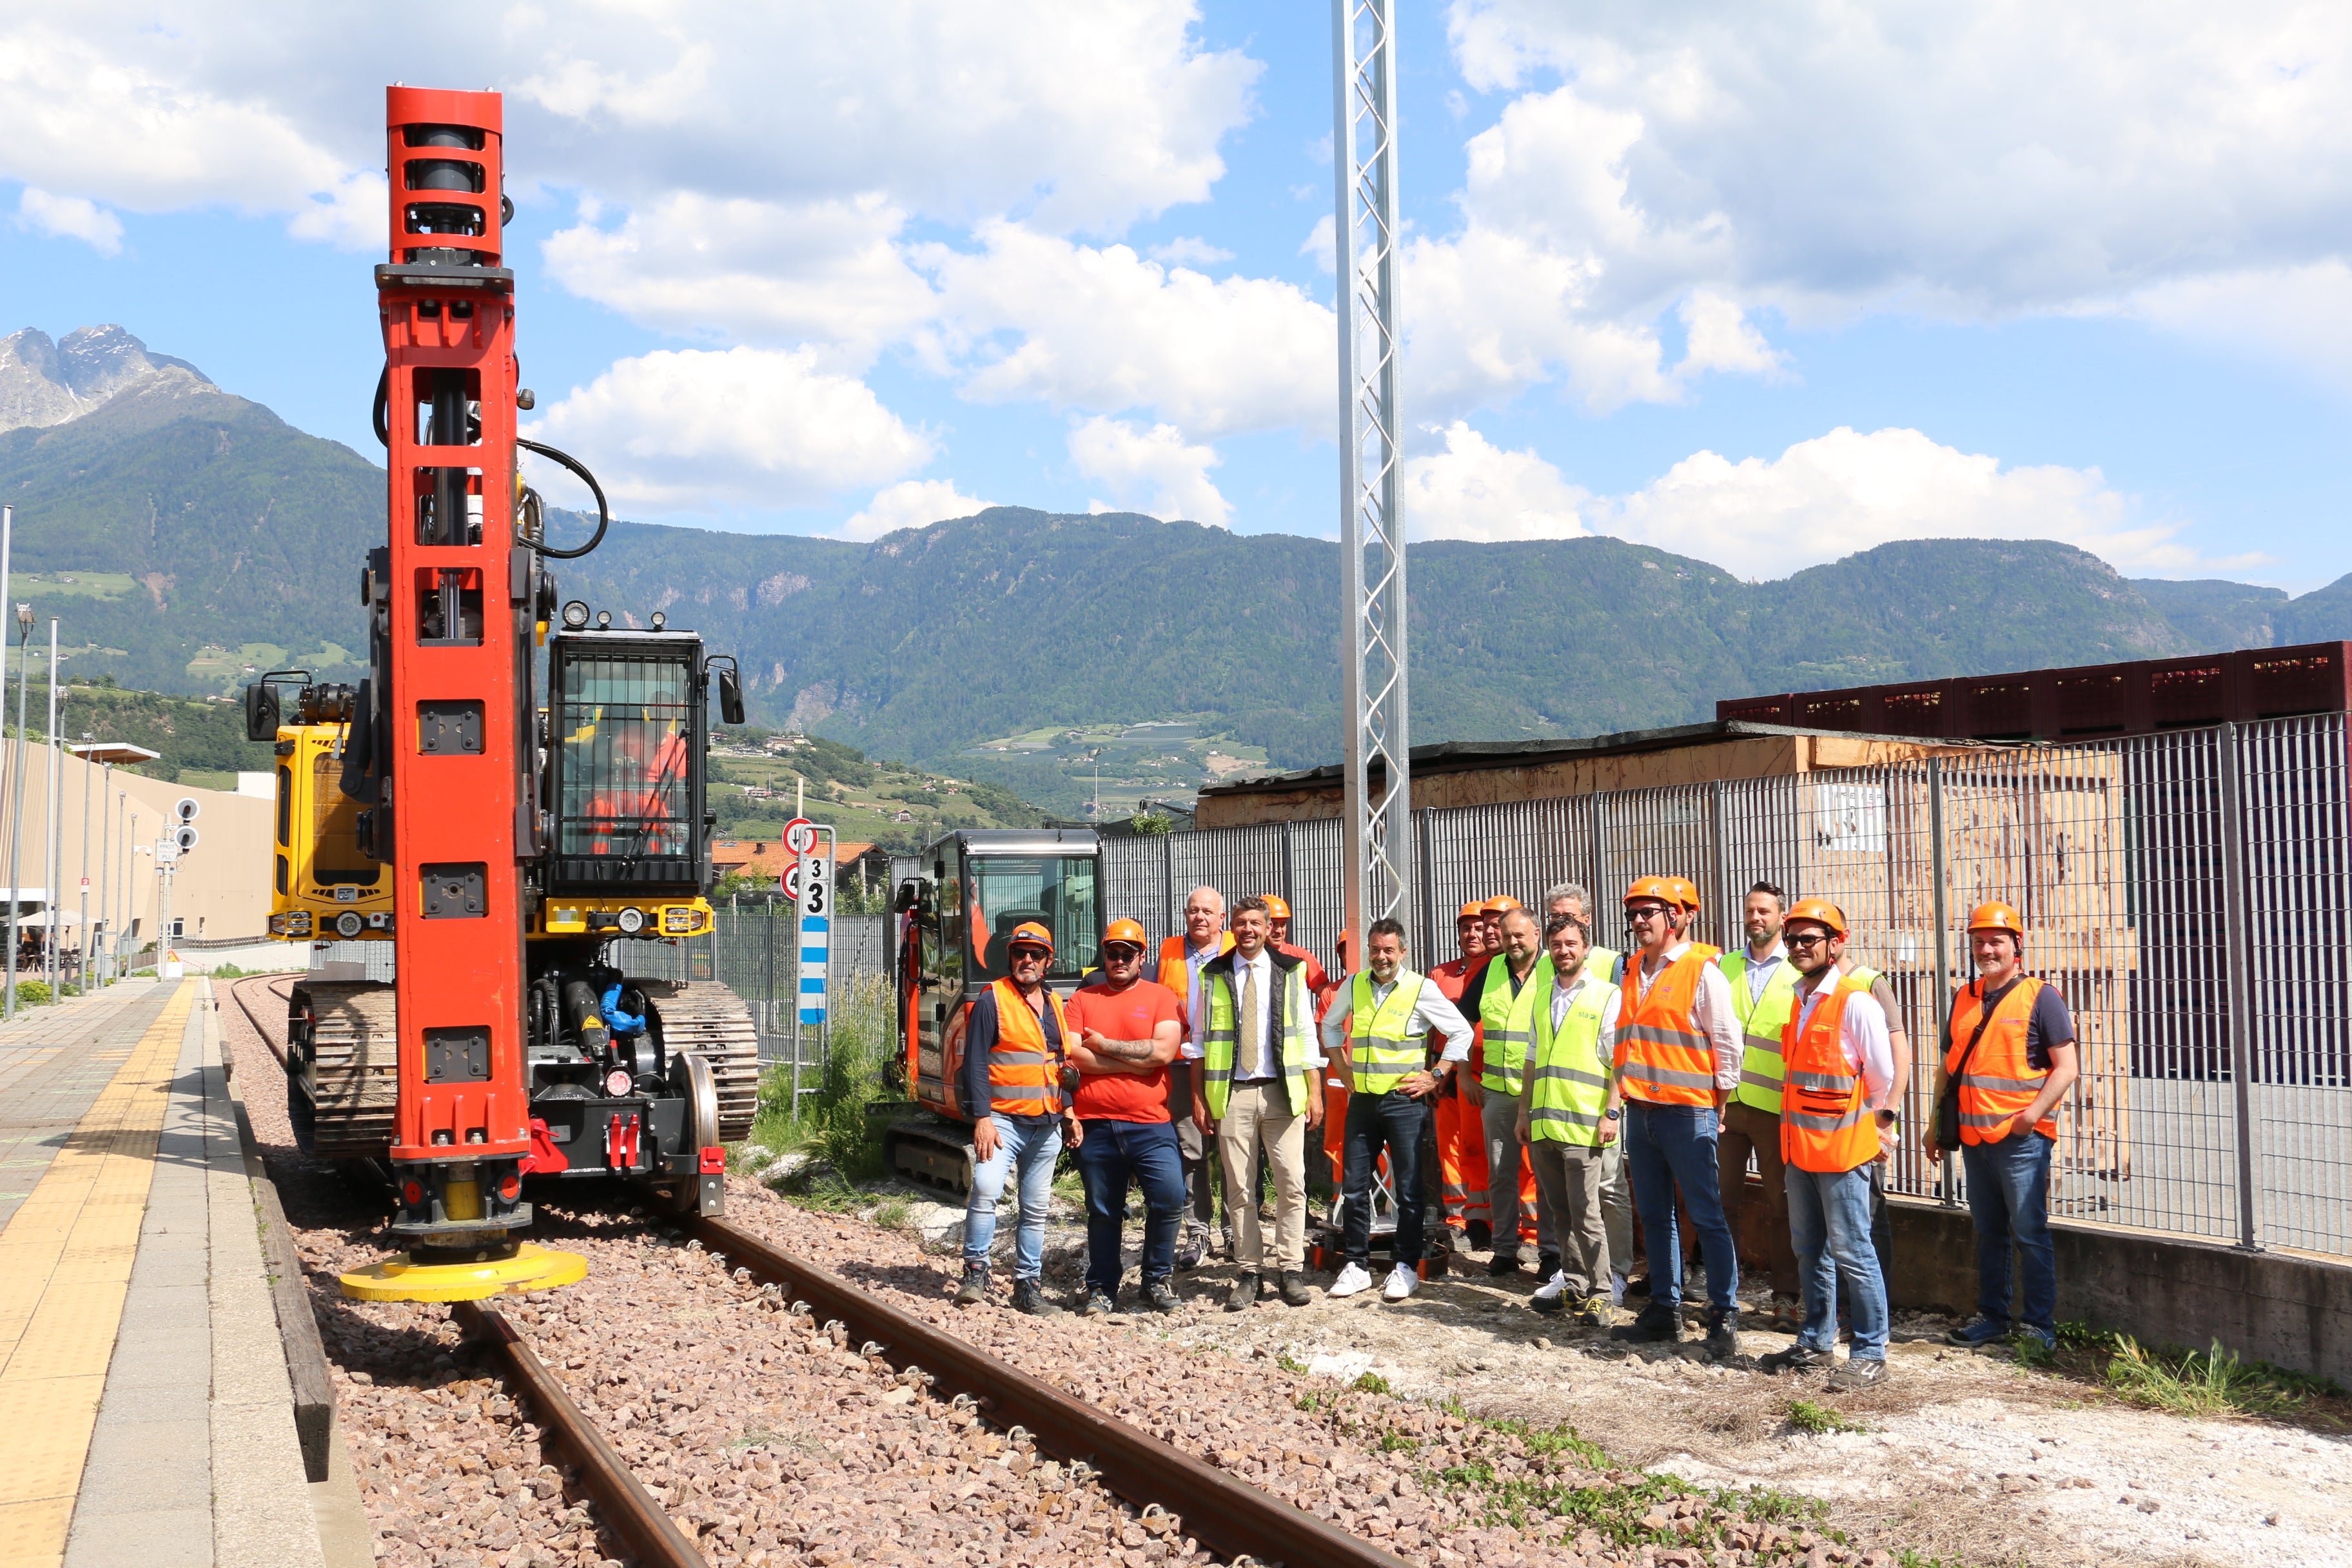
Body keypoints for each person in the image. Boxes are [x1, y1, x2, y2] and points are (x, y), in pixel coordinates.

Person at [1925, 901, 2079, 1354]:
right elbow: (1947, 1069)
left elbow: (2066, 1067)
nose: (1986, 949)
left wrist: (2031, 1117)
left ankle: (2038, 1328)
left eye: (1996, 941)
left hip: (2022, 1141)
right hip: (1974, 1139)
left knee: (2029, 1233)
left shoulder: (2041, 996)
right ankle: (1991, 1318)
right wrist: (1935, 1124)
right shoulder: (1964, 997)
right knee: (1989, 1233)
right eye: (1979, 942)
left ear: (2016, 945)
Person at [1757, 899, 1897, 1387]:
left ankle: (1871, 1349)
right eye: (1793, 939)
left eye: (1808, 940)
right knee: (1809, 1250)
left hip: (1841, 1154)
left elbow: (1881, 1077)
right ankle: (1816, 1342)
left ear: (1836, 944)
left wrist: (1878, 1127)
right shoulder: (1799, 999)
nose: (1798, 947)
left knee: (1854, 1251)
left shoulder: (1855, 1001)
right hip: (1800, 1153)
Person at [1611, 876, 1743, 1357]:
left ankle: (1723, 1312)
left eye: (1650, 912)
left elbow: (1728, 1044)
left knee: (1706, 1215)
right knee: (1656, 1215)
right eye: (1634, 914)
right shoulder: (1630, 970)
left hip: (1688, 1114)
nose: (1640, 921)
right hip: (1641, 1111)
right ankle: (1664, 1310)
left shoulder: (1700, 970)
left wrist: (1719, 1103)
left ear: (1673, 917)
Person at [1320, 917, 1475, 1302]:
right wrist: (1342, 1067)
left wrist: (1436, 1074)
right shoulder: (1355, 985)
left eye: (1389, 950)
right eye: (1375, 949)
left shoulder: (1421, 988)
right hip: (1364, 1101)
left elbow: (1462, 1032)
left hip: (1404, 1103)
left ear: (1403, 952)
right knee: (1354, 1188)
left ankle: (1405, 1267)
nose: (1381, 957)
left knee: (1407, 1189)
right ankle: (1356, 1266)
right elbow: (1329, 1026)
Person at [1190, 896, 1324, 1309]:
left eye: (1255, 923)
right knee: (1240, 1188)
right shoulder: (1211, 973)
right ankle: (1249, 1272)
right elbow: (1198, 1041)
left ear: (1269, 929)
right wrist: (1198, 1097)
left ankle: (1290, 1269)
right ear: (1231, 927)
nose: (1248, 930)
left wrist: (1315, 1091)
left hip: (1283, 1092)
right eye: (1241, 923)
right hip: (1233, 1095)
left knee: (1292, 1183)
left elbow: (1303, 1034)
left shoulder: (1290, 971)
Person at [1064, 918, 1187, 1315]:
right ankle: (1102, 1287)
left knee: (1169, 1198)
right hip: (1095, 1123)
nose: (1119, 960)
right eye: (1112, 953)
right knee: (1104, 1210)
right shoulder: (1083, 998)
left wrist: (1104, 1046)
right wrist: (1136, 1063)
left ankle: (1156, 1279)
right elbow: (1074, 1055)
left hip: (1150, 1123)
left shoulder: (1161, 997)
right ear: (1104, 956)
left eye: (1127, 954)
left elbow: (1164, 1053)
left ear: (1141, 957)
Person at [956, 921, 1072, 1316]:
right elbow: (974, 1062)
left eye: (1036, 954)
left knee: (1036, 1208)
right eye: (1020, 953)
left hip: (1046, 1123)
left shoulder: (1056, 1004)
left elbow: (1061, 1064)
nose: (1027, 960)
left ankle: (1027, 1286)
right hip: (1002, 1122)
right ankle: (975, 1272)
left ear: (1048, 961)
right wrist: (982, 1118)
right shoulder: (993, 999)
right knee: (986, 1189)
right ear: (1011, 958)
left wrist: (1069, 1112)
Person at [1517, 912, 1620, 1322]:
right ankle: (1575, 1286)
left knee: (1587, 1212)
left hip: (1583, 1124)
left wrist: (1612, 1112)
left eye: (1571, 944)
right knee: (1560, 1212)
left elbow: (1620, 1062)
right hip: (1544, 1123)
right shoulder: (1543, 995)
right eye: (1557, 945)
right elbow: (1531, 1058)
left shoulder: (1606, 995)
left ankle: (1602, 1291)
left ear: (1585, 949)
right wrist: (1524, 1111)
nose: (1563, 952)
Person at [1718, 882, 1804, 1329]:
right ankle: (1724, 1294)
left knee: (1782, 1206)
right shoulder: (1725, 966)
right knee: (1722, 1201)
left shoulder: (1798, 968)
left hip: (1775, 1108)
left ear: (1781, 917)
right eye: (1750, 910)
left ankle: (1786, 1297)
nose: (1756, 918)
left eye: (1764, 911)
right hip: (1727, 1106)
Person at [1547, 881, 1633, 1300]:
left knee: (1609, 1189)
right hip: (1558, 1112)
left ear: (1587, 921)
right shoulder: (1549, 971)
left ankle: (1615, 1274)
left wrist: (1612, 1110)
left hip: (1599, 1108)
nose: (1563, 927)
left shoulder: (1612, 966)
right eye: (1555, 918)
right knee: (1569, 1204)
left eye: (1572, 917)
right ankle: (1577, 1276)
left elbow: (1619, 1050)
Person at [1469, 905, 1551, 1275]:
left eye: (1520, 935)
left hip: (1544, 1093)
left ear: (1537, 934)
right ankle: (1504, 1250)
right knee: (1501, 1173)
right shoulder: (1491, 970)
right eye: (1506, 936)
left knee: (1547, 1176)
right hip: (1499, 1093)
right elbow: (1459, 1022)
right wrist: (1461, 1074)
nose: (1513, 942)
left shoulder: (1555, 968)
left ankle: (1551, 1252)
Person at [1157, 886, 1233, 1269]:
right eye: (1193, 911)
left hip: (1231, 1066)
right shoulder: (1168, 950)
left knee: (1236, 1149)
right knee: (1191, 1150)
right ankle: (1197, 1232)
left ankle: (1235, 1227)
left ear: (1222, 917)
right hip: (1183, 1065)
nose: (1199, 917)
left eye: (1207, 911)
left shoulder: (1240, 946)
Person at [1428, 903, 1494, 1248]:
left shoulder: (1498, 969)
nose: (1473, 934)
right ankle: (1460, 1217)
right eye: (1466, 928)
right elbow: (1427, 1027)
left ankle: (1502, 1220)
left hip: (1486, 1070)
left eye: (1479, 927)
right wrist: (1434, 1071)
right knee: (1455, 1147)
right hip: (1448, 1070)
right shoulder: (1441, 975)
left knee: (1489, 1148)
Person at [1264, 895, 1337, 1008]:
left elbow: (1325, 993)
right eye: (1273, 924)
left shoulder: (1300, 956)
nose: (1279, 931)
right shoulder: (1246, 957)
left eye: (1283, 924)